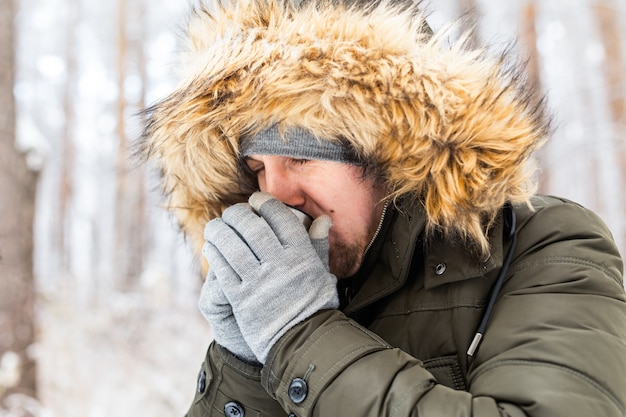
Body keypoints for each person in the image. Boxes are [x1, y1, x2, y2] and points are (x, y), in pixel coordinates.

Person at [139, 0, 626, 416]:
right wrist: (246, 362)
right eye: (256, 166)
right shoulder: (283, 280)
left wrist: (302, 337)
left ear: (387, 150)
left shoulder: (547, 245)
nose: (274, 193)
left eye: (302, 155)